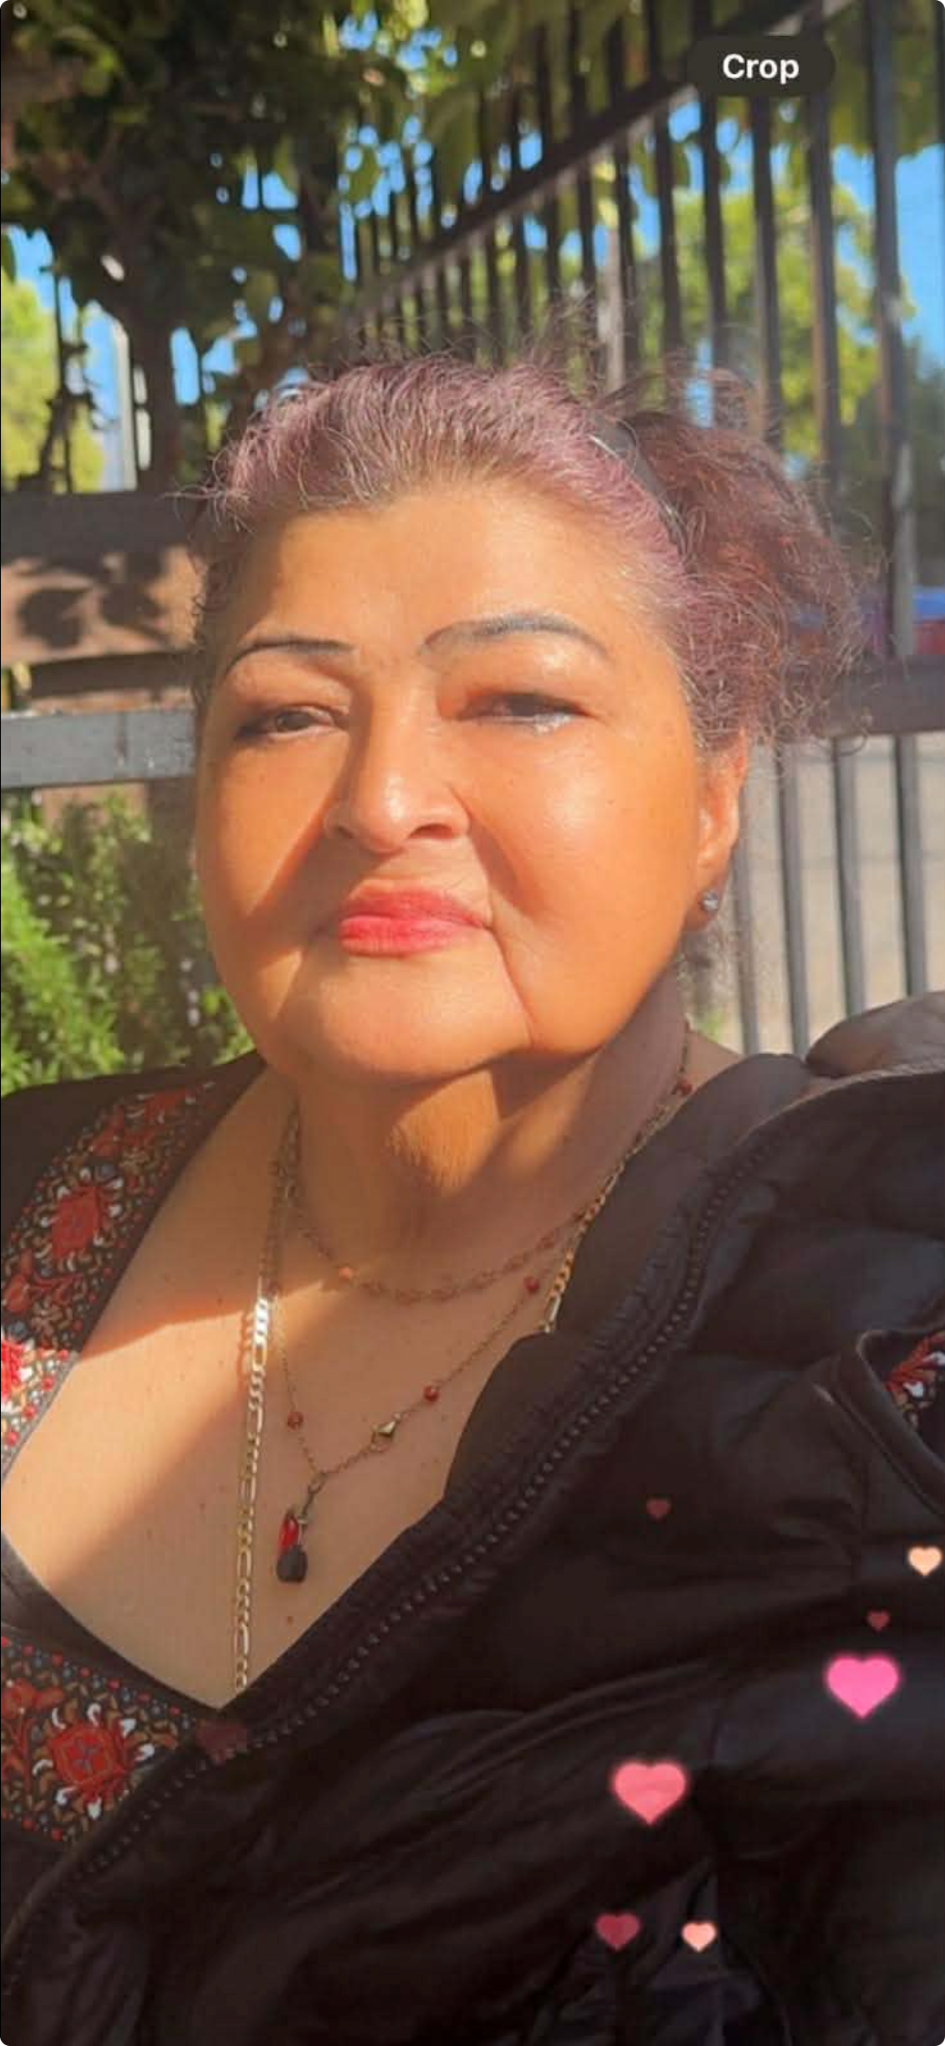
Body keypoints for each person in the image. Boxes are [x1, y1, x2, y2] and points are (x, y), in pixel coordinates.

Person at [1, 351, 942, 2046]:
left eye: (518, 700)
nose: (380, 800)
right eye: (287, 714)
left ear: (715, 790)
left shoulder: (875, 1358)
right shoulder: (24, 1203)